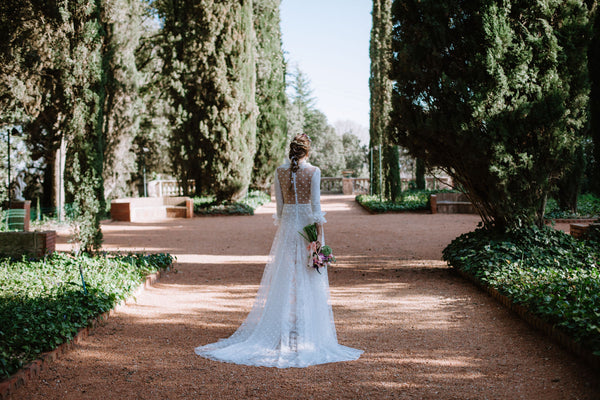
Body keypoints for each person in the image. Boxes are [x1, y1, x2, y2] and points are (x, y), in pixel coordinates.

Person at [195, 134, 363, 368]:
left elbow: (281, 208)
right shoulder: (314, 172)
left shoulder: (280, 171)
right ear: (308, 151)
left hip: (287, 230)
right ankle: (306, 328)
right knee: (310, 274)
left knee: (285, 276)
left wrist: (289, 225)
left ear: (291, 150)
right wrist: (319, 239)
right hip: (307, 227)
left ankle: (283, 323)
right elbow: (316, 207)